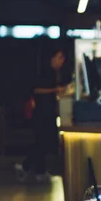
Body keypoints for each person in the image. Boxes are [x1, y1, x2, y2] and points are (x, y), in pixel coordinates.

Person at [15, 47, 69, 183]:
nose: (62, 61)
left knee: (42, 142)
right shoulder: (44, 72)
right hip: (41, 112)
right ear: (52, 58)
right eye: (59, 57)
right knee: (41, 142)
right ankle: (26, 167)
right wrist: (55, 90)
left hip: (49, 111)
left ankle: (39, 171)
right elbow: (35, 89)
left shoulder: (56, 72)